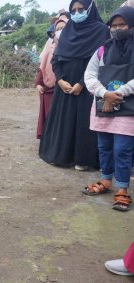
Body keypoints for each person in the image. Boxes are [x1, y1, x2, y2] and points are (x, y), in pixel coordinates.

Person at [39, 0, 110, 171]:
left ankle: (84, 159)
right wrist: (60, 80)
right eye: (74, 10)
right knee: (65, 121)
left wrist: (82, 83)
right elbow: (56, 60)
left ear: (90, 9)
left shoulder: (101, 32)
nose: (77, 13)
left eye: (81, 9)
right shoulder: (67, 31)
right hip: (65, 87)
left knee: (85, 123)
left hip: (88, 88)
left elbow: (103, 61)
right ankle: (62, 155)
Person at [82, 6, 134, 212]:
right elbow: (89, 75)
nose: (117, 29)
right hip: (103, 105)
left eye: (122, 24)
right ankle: (106, 180)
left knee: (122, 149)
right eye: (114, 25)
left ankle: (122, 188)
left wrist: (119, 93)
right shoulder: (102, 50)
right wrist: (105, 94)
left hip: (128, 107)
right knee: (104, 146)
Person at [35, 18, 68, 139]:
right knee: (49, 115)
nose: (60, 32)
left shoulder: (74, 48)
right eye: (57, 29)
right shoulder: (50, 48)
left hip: (67, 89)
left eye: (63, 29)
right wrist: (38, 83)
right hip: (48, 90)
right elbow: (42, 67)